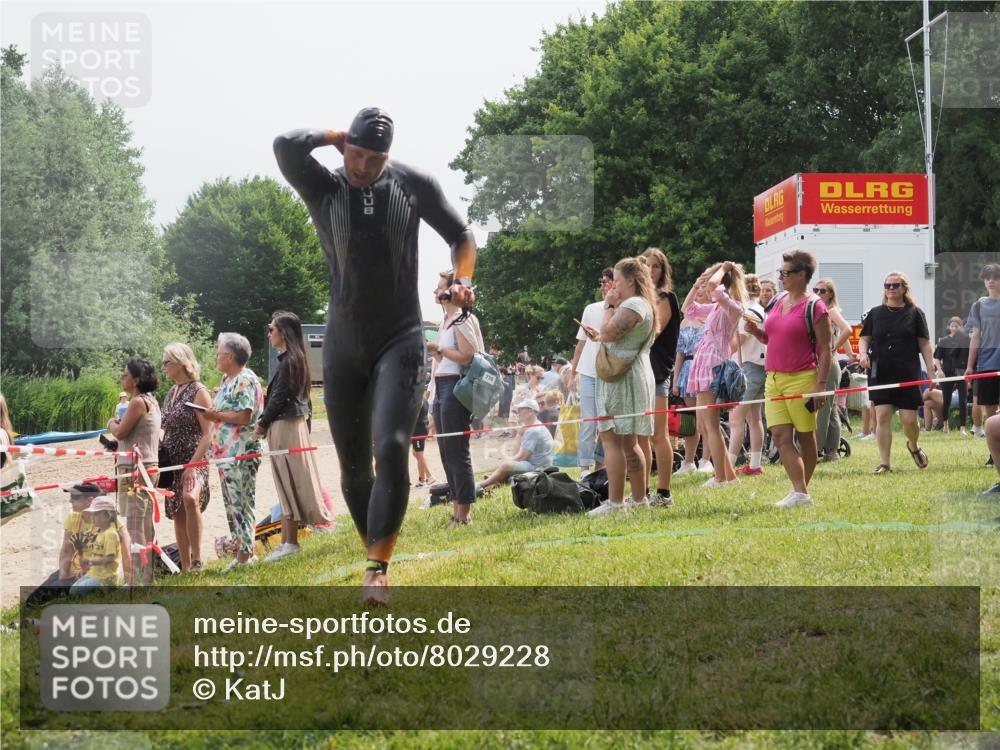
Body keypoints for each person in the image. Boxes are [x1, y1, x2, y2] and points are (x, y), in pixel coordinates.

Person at [275, 107, 476, 601]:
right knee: (353, 469)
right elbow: (285, 143)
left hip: (401, 337)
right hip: (344, 344)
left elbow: (461, 236)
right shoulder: (324, 185)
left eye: (375, 158)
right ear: (346, 147)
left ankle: (375, 572)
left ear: (389, 155)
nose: (363, 166)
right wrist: (333, 137)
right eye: (357, 154)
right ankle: (376, 552)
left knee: (389, 445)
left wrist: (463, 278)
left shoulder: (412, 184)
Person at [745, 250, 832, 507]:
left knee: (805, 437)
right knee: (781, 437)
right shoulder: (779, 300)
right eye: (780, 272)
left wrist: (820, 386)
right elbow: (772, 338)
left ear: (802, 275)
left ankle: (801, 492)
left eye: (786, 273)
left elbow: (826, 350)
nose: (781, 277)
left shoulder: (815, 306)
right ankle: (799, 492)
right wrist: (757, 332)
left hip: (803, 378)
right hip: (773, 378)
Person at [582, 257, 657, 515]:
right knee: (629, 442)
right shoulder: (642, 303)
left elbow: (610, 331)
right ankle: (639, 500)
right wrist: (601, 334)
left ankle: (616, 503)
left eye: (616, 279)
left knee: (611, 439)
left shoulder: (634, 303)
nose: (612, 284)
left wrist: (609, 305)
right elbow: (608, 333)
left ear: (630, 280)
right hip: (632, 372)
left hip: (622, 376)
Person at [254, 312, 330, 563]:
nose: (269, 334)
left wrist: (262, 424)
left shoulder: (290, 362)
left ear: (283, 333)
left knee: (288, 481)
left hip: (285, 424)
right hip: (288, 424)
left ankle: (291, 542)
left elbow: (280, 398)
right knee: (285, 482)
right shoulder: (293, 359)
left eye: (271, 330)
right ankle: (288, 541)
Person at [858, 271, 935, 475]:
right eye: (887, 285)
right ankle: (885, 463)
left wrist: (932, 372)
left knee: (909, 420)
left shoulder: (915, 313)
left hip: (907, 371)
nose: (891, 289)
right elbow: (864, 338)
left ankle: (913, 445)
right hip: (881, 371)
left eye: (895, 285)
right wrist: (863, 353)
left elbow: (925, 345)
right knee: (882, 416)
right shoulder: (875, 313)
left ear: (904, 288)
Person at [426, 271, 485, 529]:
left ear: (451, 292)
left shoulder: (462, 319)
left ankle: (464, 514)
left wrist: (438, 349)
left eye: (439, 287)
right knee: (445, 452)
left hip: (455, 388)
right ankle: (456, 508)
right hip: (441, 386)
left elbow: (468, 356)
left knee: (456, 452)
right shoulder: (445, 320)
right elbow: (447, 359)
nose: (435, 292)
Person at [681, 261, 747, 487]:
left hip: (713, 364)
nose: (707, 290)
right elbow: (687, 310)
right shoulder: (716, 308)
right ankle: (729, 476)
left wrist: (722, 270)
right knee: (706, 425)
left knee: (711, 425)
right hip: (703, 362)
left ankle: (720, 477)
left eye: (710, 286)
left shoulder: (733, 305)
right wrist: (695, 285)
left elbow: (715, 287)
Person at [204, 333, 264, 572]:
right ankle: (242, 550)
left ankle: (245, 554)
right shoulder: (228, 379)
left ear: (230, 357)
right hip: (226, 453)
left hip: (240, 453)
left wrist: (215, 415)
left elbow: (243, 416)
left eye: (219, 353)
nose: (216, 357)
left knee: (242, 502)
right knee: (232, 504)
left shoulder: (245, 379)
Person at [106, 356, 160, 585]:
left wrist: (110, 423)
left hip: (135, 470)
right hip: (147, 466)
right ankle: (147, 576)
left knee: (135, 526)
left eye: (126, 374)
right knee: (145, 524)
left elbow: (119, 432)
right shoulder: (152, 401)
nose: (122, 376)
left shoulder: (137, 402)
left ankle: (139, 579)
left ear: (137, 379)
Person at [160, 343, 213, 572]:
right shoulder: (171, 393)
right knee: (177, 510)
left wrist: (192, 466)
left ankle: (198, 560)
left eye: (166, 362)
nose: (163, 368)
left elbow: (209, 433)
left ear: (181, 362)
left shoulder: (199, 391)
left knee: (190, 499)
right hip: (172, 460)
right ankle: (186, 565)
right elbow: (164, 428)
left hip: (195, 456)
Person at [640, 247, 680, 506]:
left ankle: (664, 492)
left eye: (656, 266)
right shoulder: (638, 299)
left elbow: (652, 332)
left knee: (658, 434)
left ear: (663, 270)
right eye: (646, 265)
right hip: (638, 372)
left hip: (657, 372)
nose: (651, 271)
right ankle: (641, 493)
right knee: (640, 436)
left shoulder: (666, 298)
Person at [570, 269, 613, 473]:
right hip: (588, 371)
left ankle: (601, 464)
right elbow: (580, 344)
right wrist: (572, 372)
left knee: (606, 423)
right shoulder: (591, 308)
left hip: (610, 373)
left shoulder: (624, 310)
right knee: (588, 422)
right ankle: (584, 468)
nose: (604, 286)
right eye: (602, 282)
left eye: (607, 282)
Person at [812, 278, 857, 462]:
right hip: (830, 363)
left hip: (828, 364)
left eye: (823, 291)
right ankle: (832, 451)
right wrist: (849, 352)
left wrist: (831, 349)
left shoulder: (831, 311)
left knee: (822, 408)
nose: (818, 293)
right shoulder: (824, 312)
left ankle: (815, 449)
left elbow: (847, 330)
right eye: (816, 290)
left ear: (831, 294)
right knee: (830, 409)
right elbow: (843, 335)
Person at [58, 483, 131, 590]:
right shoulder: (73, 517)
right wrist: (64, 573)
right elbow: (66, 549)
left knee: (66, 592)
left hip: (97, 573)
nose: (70, 501)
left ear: (90, 500)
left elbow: (126, 553)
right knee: (43, 593)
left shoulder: (112, 522)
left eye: (75, 497)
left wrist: (129, 582)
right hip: (76, 570)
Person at [728, 273, 767, 477]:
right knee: (754, 418)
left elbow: (739, 341)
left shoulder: (748, 312)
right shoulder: (760, 309)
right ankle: (755, 463)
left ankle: (728, 466)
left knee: (736, 419)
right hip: (759, 367)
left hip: (749, 367)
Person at [672, 286, 710, 475]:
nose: (700, 292)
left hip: (705, 367)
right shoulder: (685, 321)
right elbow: (679, 353)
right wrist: (676, 380)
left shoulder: (713, 316)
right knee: (690, 420)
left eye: (704, 289)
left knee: (707, 418)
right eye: (698, 289)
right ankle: (688, 462)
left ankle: (706, 460)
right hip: (687, 370)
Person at [480, 399, 554, 489]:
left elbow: (521, 457)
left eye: (520, 409)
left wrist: (505, 464)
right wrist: (519, 434)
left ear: (530, 411)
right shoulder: (534, 426)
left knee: (506, 465)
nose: (517, 412)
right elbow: (515, 454)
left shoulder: (533, 431)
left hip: (538, 467)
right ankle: (495, 479)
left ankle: (482, 485)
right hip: (539, 465)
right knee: (507, 467)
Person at [966, 263, 1000, 449]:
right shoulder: (978, 306)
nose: (991, 281)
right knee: (990, 410)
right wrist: (970, 366)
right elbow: (975, 337)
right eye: (987, 278)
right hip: (987, 363)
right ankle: (993, 453)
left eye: (995, 277)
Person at [70, 497, 123, 595]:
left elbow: (110, 558)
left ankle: (107, 588)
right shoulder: (100, 532)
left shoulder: (110, 534)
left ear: (107, 516)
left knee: (74, 591)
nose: (92, 518)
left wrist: (90, 562)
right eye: (92, 515)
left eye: (96, 515)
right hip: (97, 573)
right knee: (74, 588)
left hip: (106, 577)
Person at [934, 316, 971, 434]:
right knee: (946, 400)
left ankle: (963, 428)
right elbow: (937, 358)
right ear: (948, 327)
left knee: (962, 401)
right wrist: (939, 371)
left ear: (961, 328)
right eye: (952, 326)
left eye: (957, 326)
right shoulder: (944, 341)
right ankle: (945, 424)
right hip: (947, 373)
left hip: (961, 373)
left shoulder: (965, 341)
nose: (954, 328)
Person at [411, 393, 435, 487]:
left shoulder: (418, 398)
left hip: (418, 429)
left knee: (419, 454)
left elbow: (415, 415)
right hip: (419, 428)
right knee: (415, 453)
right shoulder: (422, 397)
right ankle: (427, 477)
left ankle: (424, 479)